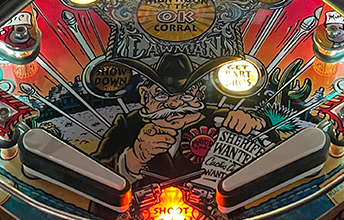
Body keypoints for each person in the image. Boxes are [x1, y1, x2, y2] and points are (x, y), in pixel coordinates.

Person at [94, 52, 267, 185]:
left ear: (200, 94)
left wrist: (255, 124)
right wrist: (134, 158)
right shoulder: (128, 125)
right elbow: (94, 171)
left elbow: (272, 143)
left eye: (186, 95)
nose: (175, 104)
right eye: (161, 95)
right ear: (145, 96)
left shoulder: (220, 119)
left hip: (221, 211)